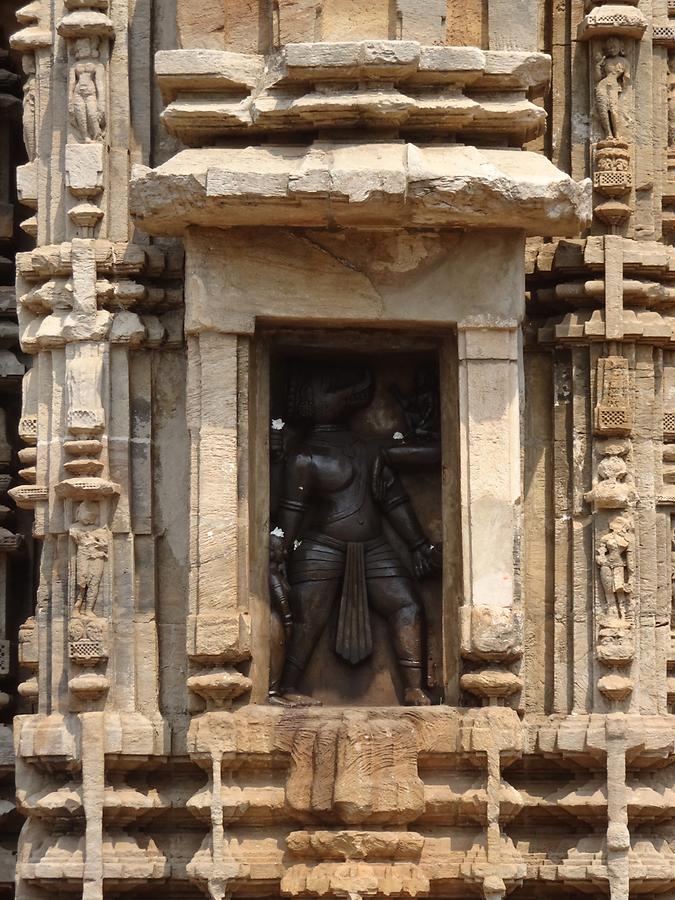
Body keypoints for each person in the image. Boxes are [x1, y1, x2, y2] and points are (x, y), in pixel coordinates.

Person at [269, 363, 441, 707]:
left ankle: (413, 687)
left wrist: (420, 545)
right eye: (329, 388)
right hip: (324, 546)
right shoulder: (305, 457)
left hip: (374, 545)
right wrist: (278, 549)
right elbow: (290, 513)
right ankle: (284, 687)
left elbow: (394, 502)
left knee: (407, 605)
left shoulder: (368, 448)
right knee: (307, 618)